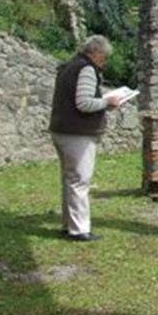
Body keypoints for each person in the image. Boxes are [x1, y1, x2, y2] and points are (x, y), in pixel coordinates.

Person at [48, 35, 120, 242]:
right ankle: (79, 229)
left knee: (70, 180)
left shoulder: (69, 66)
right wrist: (107, 102)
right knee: (80, 181)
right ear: (96, 53)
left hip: (62, 129)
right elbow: (84, 103)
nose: (104, 61)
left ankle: (69, 225)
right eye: (104, 57)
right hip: (77, 133)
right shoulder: (86, 69)